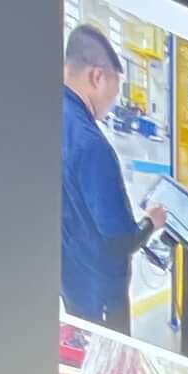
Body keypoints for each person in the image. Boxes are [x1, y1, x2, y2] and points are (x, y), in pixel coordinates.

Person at [59, 25, 147, 336]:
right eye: (115, 89)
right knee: (110, 359)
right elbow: (121, 239)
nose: (113, 101)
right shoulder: (92, 146)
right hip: (101, 296)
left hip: (70, 276)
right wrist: (152, 221)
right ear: (97, 77)